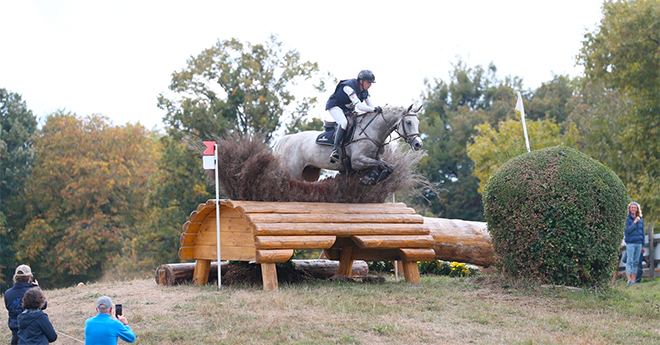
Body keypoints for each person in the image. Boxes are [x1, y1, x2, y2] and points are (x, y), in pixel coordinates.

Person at [325, 69, 383, 163]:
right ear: (361, 81)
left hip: (347, 110)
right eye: (368, 82)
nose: (370, 85)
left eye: (371, 83)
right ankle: (335, 150)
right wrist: (374, 109)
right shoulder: (348, 87)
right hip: (335, 106)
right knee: (343, 122)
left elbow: (371, 107)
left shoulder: (364, 92)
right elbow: (359, 106)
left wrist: (378, 110)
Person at [4, 264, 44, 345]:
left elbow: (9, 308)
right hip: (32, 335)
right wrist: (38, 289)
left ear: (15, 277)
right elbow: (44, 305)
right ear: (29, 277)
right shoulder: (33, 291)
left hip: (16, 334)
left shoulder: (7, 293)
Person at [624, 201, 645, 286]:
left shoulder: (640, 219)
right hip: (630, 243)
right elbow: (628, 230)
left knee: (636, 262)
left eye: (635, 207)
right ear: (629, 209)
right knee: (629, 261)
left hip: (639, 243)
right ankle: (628, 281)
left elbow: (643, 233)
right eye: (632, 207)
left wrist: (643, 245)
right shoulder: (627, 219)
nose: (633, 209)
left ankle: (634, 281)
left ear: (637, 209)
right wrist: (634, 222)